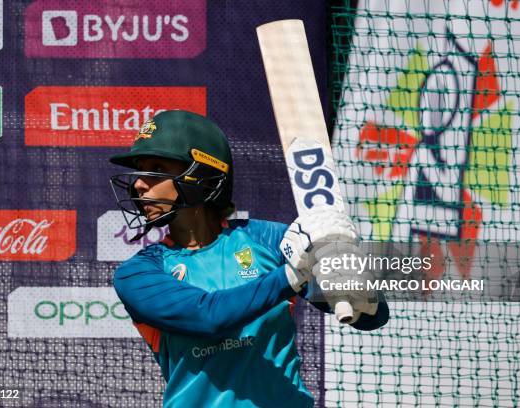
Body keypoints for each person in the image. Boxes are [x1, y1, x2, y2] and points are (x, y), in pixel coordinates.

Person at [109, 110, 389, 408]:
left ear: (199, 174)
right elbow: (207, 317)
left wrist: (349, 270)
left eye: (156, 168)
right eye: (140, 171)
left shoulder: (268, 240)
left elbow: (372, 318)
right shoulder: (137, 274)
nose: (139, 183)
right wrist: (292, 276)